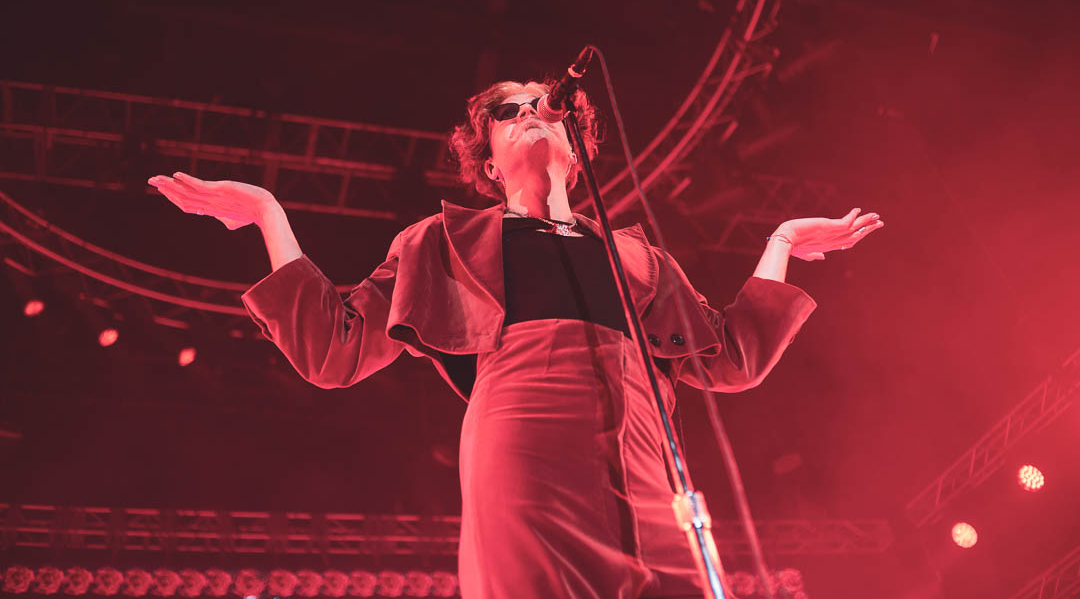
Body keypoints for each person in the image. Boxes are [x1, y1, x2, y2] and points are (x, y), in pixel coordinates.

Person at [148, 79, 883, 599]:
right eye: (508, 109)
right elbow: (334, 348)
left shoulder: (642, 257)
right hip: (524, 441)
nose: (531, 111)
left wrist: (781, 242)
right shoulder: (439, 241)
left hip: (647, 461)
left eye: (541, 104)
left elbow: (732, 356)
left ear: (576, 147)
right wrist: (268, 215)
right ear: (489, 163)